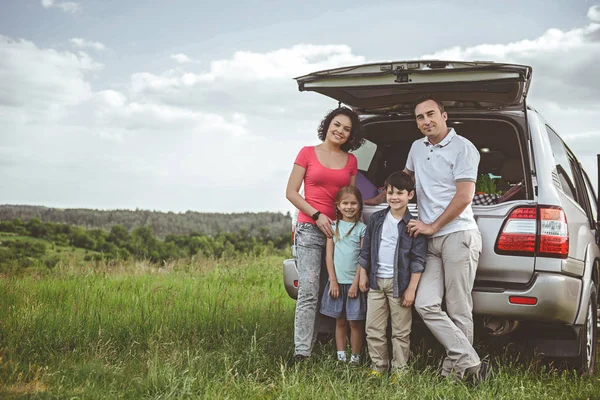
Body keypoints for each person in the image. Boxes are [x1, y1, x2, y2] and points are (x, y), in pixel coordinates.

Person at [403, 95, 491, 382]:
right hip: (431, 242)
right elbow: (403, 181)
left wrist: (432, 225)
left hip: (458, 235)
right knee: (425, 303)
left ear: (444, 116)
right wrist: (373, 197)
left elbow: (464, 196)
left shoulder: (463, 149)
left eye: (431, 114)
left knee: (458, 308)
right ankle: (473, 362)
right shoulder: (417, 147)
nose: (426, 121)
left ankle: (454, 375)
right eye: (419, 117)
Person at [286, 107, 364, 362]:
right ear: (327, 124)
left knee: (334, 285)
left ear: (351, 136)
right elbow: (292, 192)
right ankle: (302, 352)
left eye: (346, 129)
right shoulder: (307, 153)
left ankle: (327, 339)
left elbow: (350, 199)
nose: (340, 131)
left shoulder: (351, 161)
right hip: (310, 228)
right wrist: (318, 215)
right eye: (337, 124)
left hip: (339, 233)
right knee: (309, 289)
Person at [358, 171, 427, 375]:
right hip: (376, 283)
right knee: (374, 329)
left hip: (400, 286)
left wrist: (412, 290)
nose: (394, 197)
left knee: (400, 331)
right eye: (390, 193)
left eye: (399, 192)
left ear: (410, 195)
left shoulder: (413, 224)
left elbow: (418, 260)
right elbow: (366, 249)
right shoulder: (377, 219)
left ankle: (400, 371)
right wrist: (363, 274)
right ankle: (378, 367)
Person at [319, 185, 367, 364]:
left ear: (359, 205)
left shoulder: (362, 229)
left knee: (355, 323)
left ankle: (356, 357)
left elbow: (363, 257)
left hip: (353, 284)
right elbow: (329, 256)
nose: (349, 207)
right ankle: (341, 356)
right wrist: (333, 281)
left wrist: (355, 284)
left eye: (353, 203)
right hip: (337, 283)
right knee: (339, 322)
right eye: (345, 203)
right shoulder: (333, 227)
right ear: (338, 205)